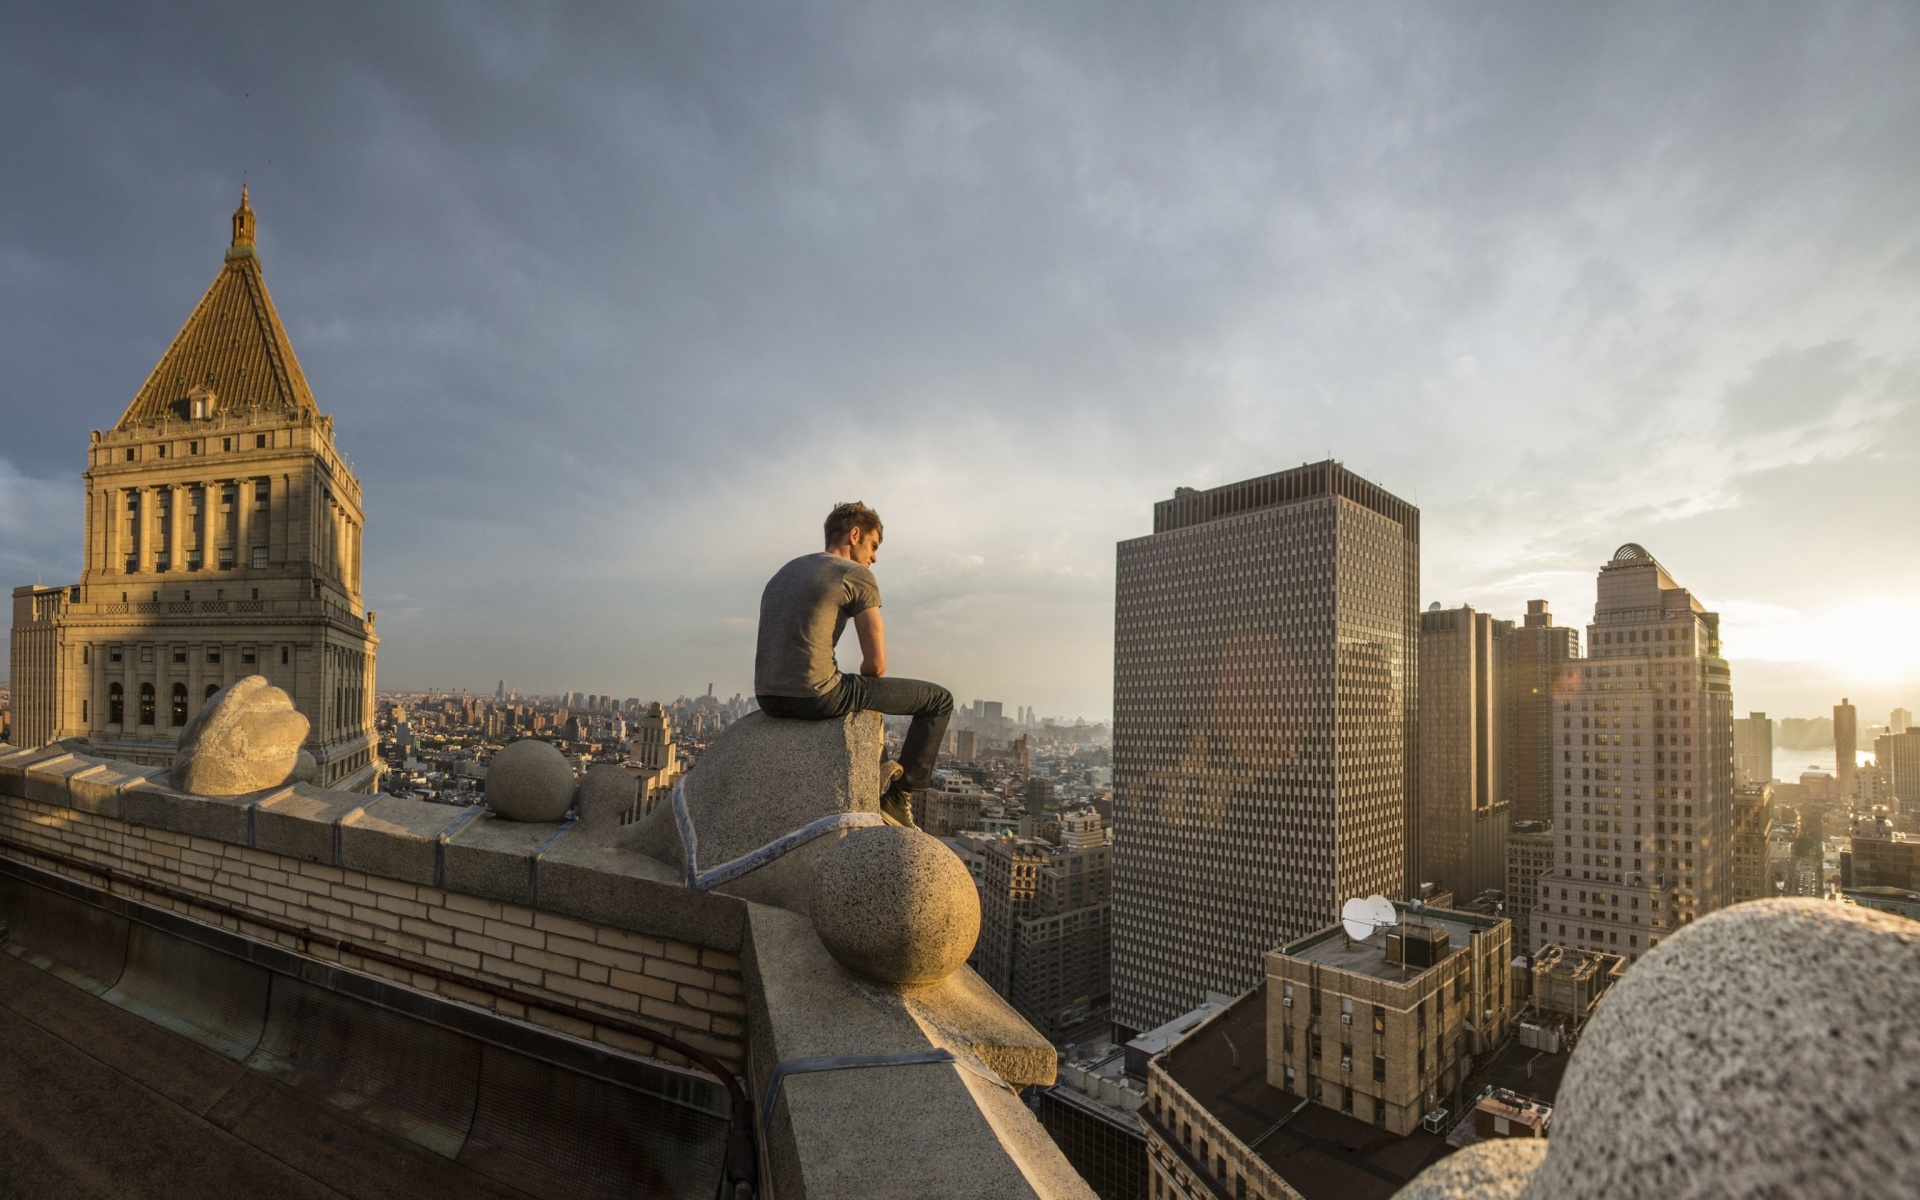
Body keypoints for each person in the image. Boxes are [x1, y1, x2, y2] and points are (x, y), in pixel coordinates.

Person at [754, 502, 952, 827]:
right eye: (873, 546)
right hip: (815, 696)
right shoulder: (856, 574)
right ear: (855, 534)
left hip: (767, 697)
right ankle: (898, 798)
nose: (874, 557)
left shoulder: (785, 572)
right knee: (939, 701)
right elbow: (875, 665)